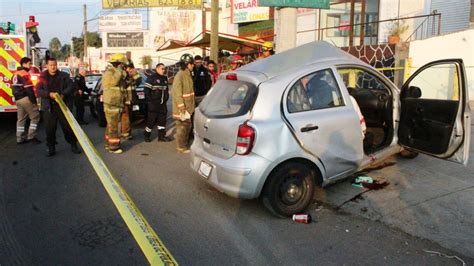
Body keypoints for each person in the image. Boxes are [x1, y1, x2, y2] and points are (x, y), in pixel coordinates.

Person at [37, 58, 80, 156]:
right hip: (49, 107)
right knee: (50, 129)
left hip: (62, 106)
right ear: (46, 66)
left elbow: (71, 87)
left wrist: (63, 94)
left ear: (57, 65)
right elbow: (39, 91)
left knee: (68, 128)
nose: (53, 67)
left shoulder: (64, 76)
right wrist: (49, 94)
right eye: (51, 65)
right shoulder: (42, 77)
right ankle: (51, 147)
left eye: (54, 65)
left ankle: (73, 145)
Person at [102, 54, 128, 154]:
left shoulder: (118, 73)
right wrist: (120, 70)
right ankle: (114, 147)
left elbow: (124, 84)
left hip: (117, 103)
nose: (123, 66)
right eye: (122, 65)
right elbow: (114, 82)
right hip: (111, 104)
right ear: (118, 64)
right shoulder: (109, 72)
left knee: (110, 125)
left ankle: (108, 144)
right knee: (114, 126)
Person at [12, 57, 41, 144]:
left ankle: (19, 138)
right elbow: (29, 90)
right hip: (25, 98)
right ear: (24, 64)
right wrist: (34, 102)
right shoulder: (24, 74)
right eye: (29, 63)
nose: (31, 65)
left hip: (18, 99)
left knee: (21, 119)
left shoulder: (15, 74)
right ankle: (32, 136)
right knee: (35, 117)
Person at [172, 53, 195, 154]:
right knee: (182, 128)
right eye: (191, 63)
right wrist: (182, 108)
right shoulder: (180, 76)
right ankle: (181, 147)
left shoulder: (188, 74)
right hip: (182, 108)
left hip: (189, 107)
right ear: (187, 64)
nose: (193, 65)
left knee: (186, 127)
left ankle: (184, 144)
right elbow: (177, 93)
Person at [143, 63, 172, 142]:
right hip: (153, 104)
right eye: (162, 69)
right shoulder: (151, 78)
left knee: (162, 121)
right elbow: (146, 91)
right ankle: (146, 136)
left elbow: (166, 90)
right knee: (151, 122)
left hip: (163, 104)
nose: (164, 70)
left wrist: (166, 98)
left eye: (164, 69)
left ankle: (161, 137)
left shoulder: (165, 78)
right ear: (157, 69)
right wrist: (150, 102)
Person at [122, 61, 142, 140]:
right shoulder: (123, 75)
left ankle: (127, 132)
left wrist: (135, 74)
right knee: (125, 117)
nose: (130, 70)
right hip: (124, 99)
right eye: (129, 68)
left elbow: (138, 82)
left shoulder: (132, 75)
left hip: (131, 99)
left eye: (131, 68)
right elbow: (125, 84)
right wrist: (130, 75)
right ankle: (125, 134)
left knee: (129, 117)